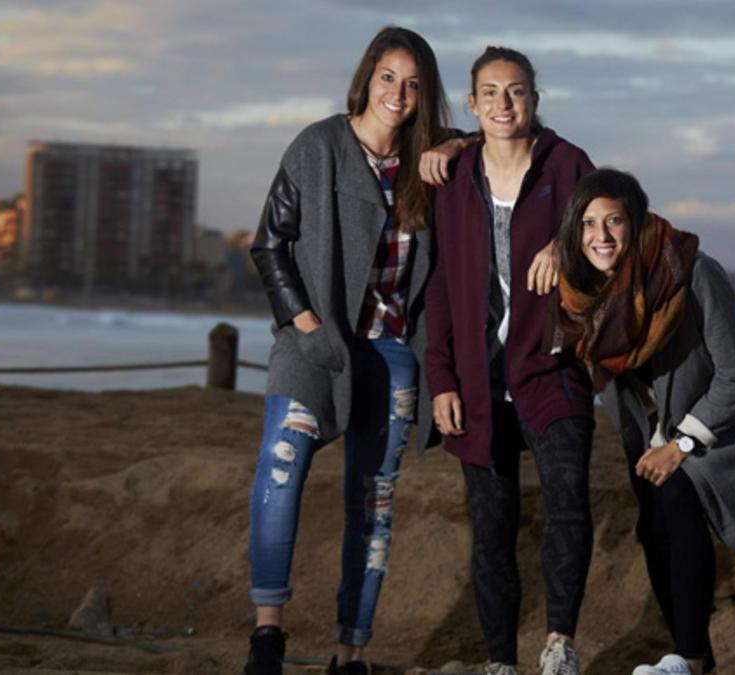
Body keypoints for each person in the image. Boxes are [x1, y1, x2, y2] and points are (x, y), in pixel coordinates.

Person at [245, 26, 472, 675]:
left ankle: (350, 651)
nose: (398, 93)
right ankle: (268, 636)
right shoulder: (318, 146)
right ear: (367, 78)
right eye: (388, 77)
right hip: (315, 343)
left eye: (413, 83)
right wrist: (307, 323)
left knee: (373, 499)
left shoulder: (431, 168)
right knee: (280, 465)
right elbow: (270, 243)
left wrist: (455, 143)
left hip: (394, 351)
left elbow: (502, 142)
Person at [547, 169, 735, 675]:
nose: (601, 236)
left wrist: (680, 443)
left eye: (614, 221)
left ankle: (684, 660)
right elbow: (622, 390)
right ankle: (697, 659)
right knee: (651, 521)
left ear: (635, 221)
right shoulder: (585, 295)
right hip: (662, 419)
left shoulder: (691, 271)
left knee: (680, 490)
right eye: (589, 224)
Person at [425, 46, 597, 675]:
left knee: (568, 500)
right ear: (472, 105)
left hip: (552, 370)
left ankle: (559, 645)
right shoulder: (454, 175)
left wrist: (564, 243)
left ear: (535, 99)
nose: (504, 103)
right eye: (491, 93)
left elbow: (610, 228)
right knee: (493, 527)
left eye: (517, 91)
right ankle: (500, 663)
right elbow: (440, 284)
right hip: (475, 380)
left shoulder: (569, 163)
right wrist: (440, 378)